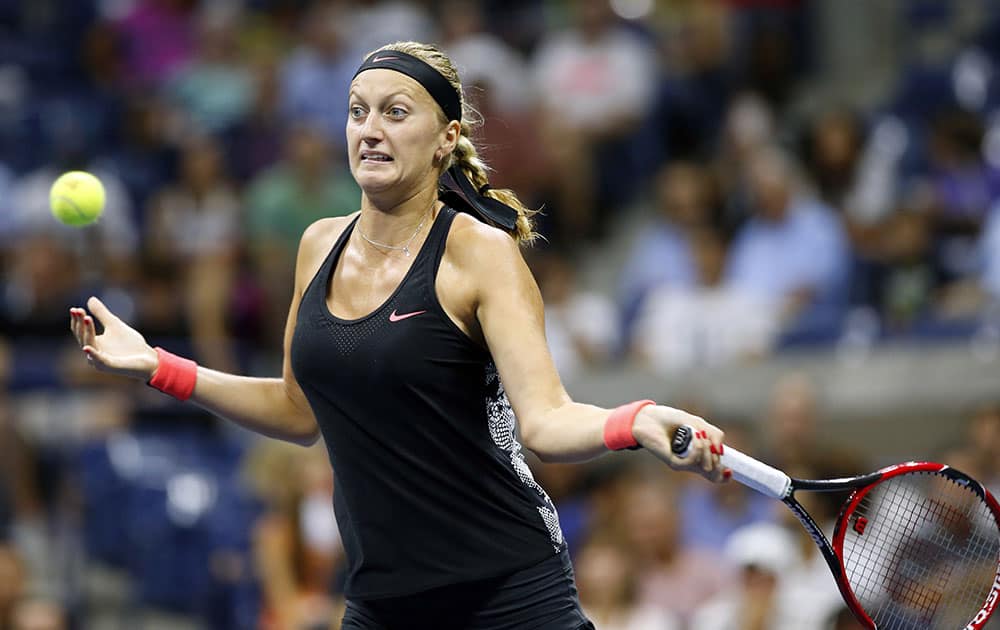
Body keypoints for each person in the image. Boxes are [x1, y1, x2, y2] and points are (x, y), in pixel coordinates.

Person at [69, 41, 728, 630]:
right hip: (382, 603)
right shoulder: (317, 245)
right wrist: (157, 365)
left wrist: (635, 420)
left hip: (508, 594)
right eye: (358, 112)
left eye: (395, 112)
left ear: (446, 138)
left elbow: (546, 422)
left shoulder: (481, 254)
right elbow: (299, 413)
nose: (370, 131)